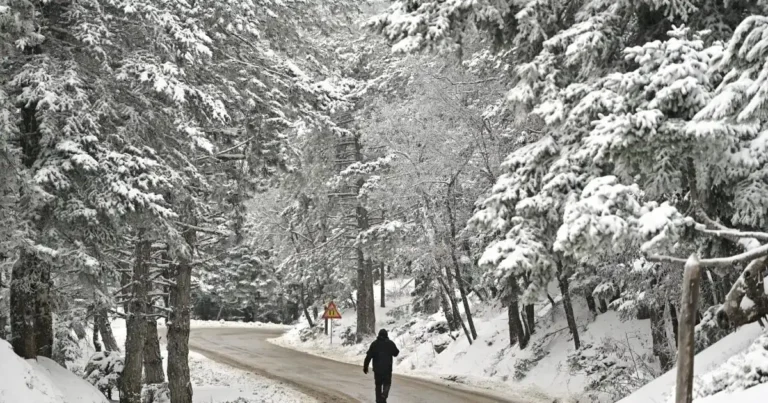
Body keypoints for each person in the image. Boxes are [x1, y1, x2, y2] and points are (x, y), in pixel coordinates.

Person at [363, 329, 400, 403]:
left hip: (377, 370)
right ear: (386, 335)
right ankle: (384, 396)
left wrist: (365, 366)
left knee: (378, 385)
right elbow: (396, 353)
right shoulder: (390, 343)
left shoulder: (374, 344)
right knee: (387, 384)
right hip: (387, 369)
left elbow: (368, 356)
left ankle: (378, 400)